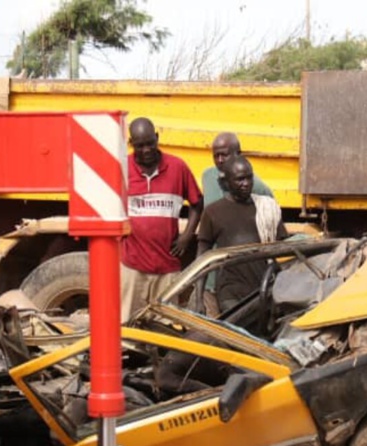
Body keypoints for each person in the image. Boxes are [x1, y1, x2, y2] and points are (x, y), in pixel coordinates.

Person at [121, 117, 203, 323]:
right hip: (132, 267)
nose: (147, 149)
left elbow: (197, 203)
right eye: (140, 146)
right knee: (128, 328)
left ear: (157, 138)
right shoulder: (121, 168)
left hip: (167, 267)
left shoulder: (177, 167)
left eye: (150, 143)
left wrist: (187, 236)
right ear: (132, 144)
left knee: (166, 329)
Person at [197, 155, 287, 313]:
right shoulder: (213, 213)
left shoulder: (266, 209)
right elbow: (202, 259)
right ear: (226, 182)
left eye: (249, 178)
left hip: (264, 290)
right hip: (231, 294)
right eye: (239, 179)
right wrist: (198, 299)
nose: (246, 184)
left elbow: (284, 251)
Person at [201, 132, 274, 205]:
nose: (220, 160)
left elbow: (270, 209)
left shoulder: (254, 185)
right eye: (216, 156)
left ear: (238, 154)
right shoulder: (208, 177)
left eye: (224, 155)